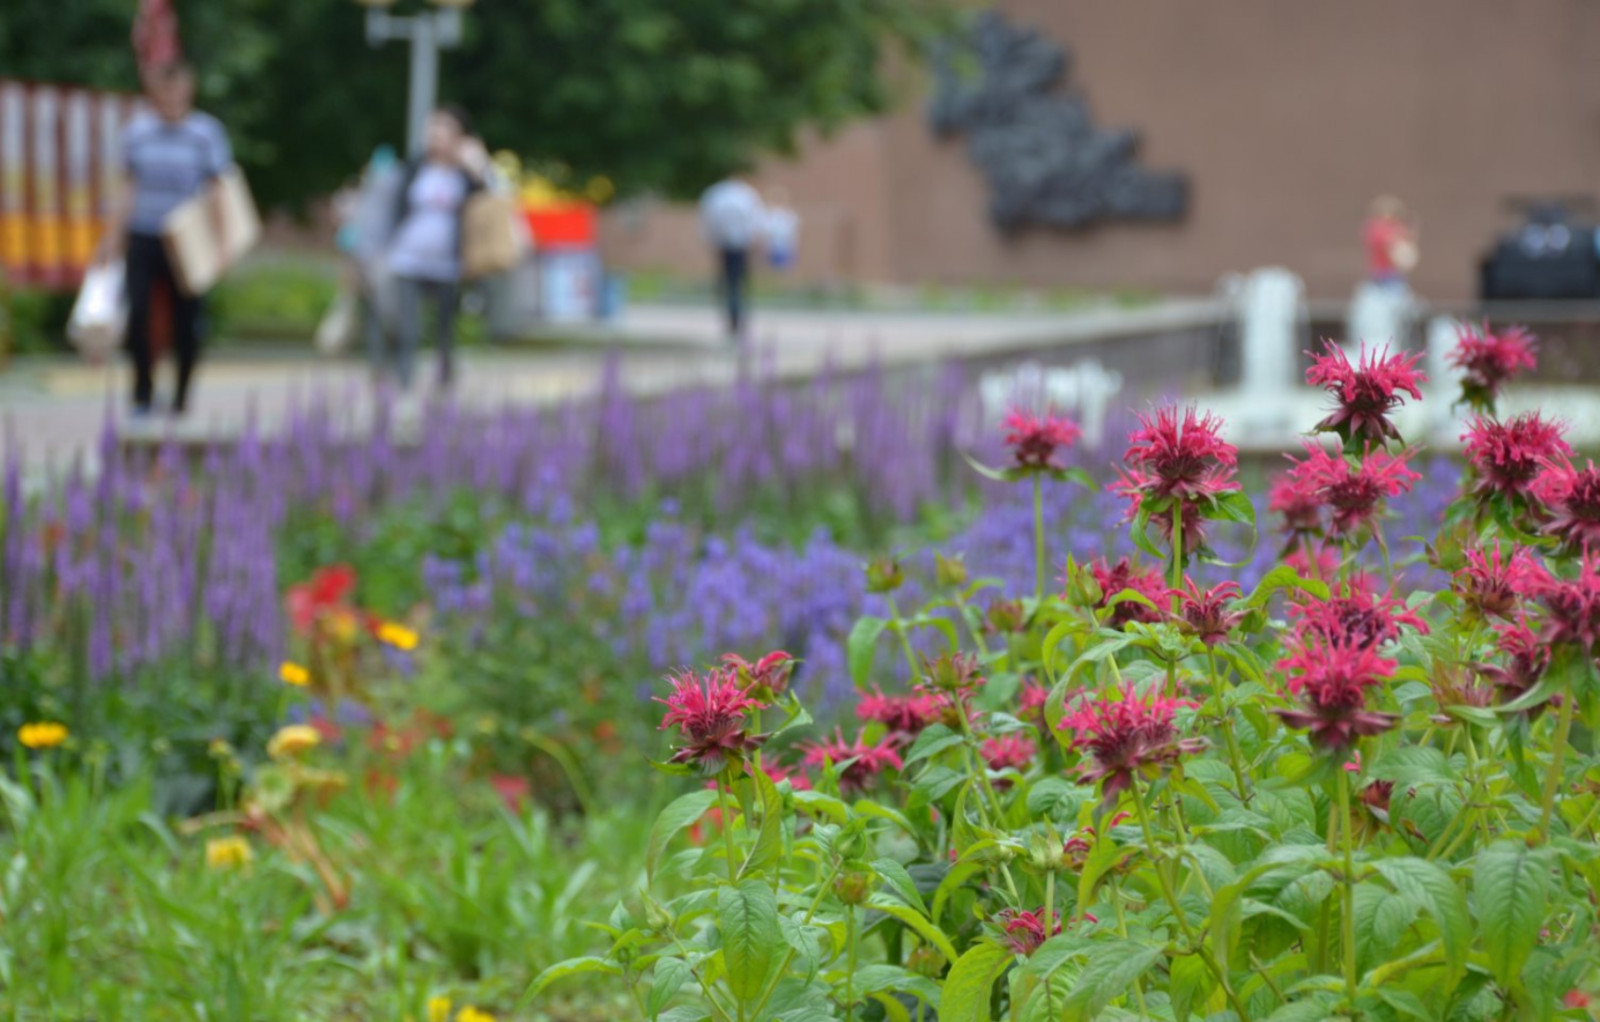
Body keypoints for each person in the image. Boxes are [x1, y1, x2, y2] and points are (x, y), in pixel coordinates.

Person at [98, 60, 232, 416]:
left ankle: (181, 398)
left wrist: (221, 245)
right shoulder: (137, 133)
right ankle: (142, 392)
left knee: (188, 320)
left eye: (178, 89)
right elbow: (127, 186)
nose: (171, 97)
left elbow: (217, 189)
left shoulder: (206, 133)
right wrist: (113, 237)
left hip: (188, 240)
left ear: (189, 90)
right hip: (144, 232)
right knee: (137, 312)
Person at [381, 105, 482, 390]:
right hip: (408, 258)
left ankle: (444, 382)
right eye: (433, 128)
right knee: (408, 325)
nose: (435, 135)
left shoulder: (466, 176)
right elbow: (396, 207)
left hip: (449, 263)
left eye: (443, 128)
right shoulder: (415, 167)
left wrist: (477, 167)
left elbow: (491, 206)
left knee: (445, 329)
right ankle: (404, 384)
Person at [699, 175, 766, 342]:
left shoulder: (717, 195)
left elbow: (708, 221)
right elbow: (756, 222)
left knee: (730, 284)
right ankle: (737, 319)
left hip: (725, 245)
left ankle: (733, 320)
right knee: (738, 285)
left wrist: (712, 240)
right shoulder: (745, 195)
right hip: (740, 245)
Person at [1363, 195, 1418, 287]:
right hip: (1382, 271)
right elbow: (1383, 242)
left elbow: (1408, 242)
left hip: (1395, 272)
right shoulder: (1376, 228)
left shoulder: (1397, 227)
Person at [763, 187, 800, 272]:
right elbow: (766, 230)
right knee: (773, 269)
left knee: (785, 269)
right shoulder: (769, 215)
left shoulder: (789, 214)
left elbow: (793, 230)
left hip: (786, 246)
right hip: (772, 247)